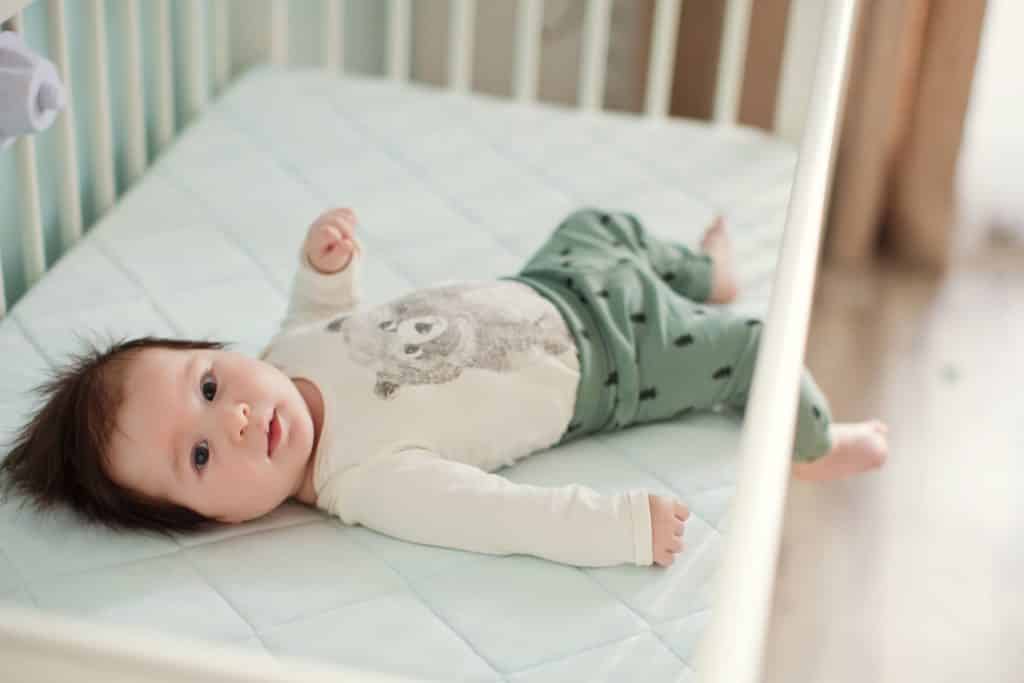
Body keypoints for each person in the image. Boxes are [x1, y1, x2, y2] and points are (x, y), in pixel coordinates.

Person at [0, 208, 887, 569]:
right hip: (622, 360)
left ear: (223, 350)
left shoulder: (288, 346)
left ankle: (705, 266)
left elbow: (326, 312)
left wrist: (322, 267)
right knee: (756, 351)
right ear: (221, 519)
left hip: (553, 281)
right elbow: (495, 513)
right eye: (197, 455)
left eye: (205, 382)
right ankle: (812, 444)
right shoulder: (367, 479)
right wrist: (617, 527)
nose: (230, 417)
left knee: (598, 224)